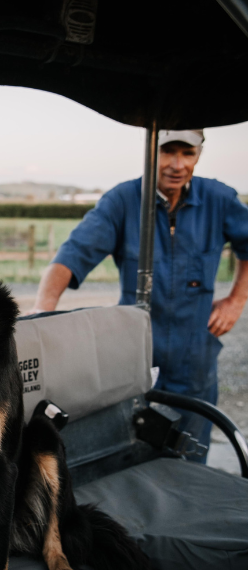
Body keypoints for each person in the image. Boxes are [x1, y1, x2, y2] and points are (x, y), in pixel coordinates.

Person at [32, 129, 248, 456]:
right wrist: (42, 315)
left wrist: (236, 300)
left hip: (194, 360)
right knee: (133, 454)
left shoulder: (219, 199)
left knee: (189, 457)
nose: (177, 164)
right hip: (135, 359)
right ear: (151, 151)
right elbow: (71, 256)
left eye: (187, 153)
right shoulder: (122, 201)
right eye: (167, 151)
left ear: (199, 154)